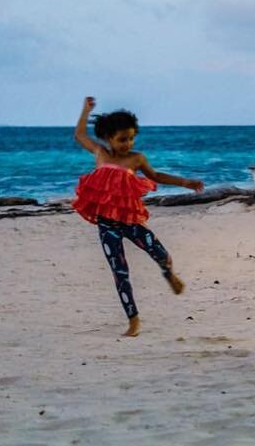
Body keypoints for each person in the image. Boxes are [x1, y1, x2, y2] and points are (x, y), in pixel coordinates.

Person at [71, 96, 204, 336]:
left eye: (131, 138)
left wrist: (185, 182)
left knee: (161, 254)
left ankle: (168, 274)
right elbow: (79, 135)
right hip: (106, 224)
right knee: (120, 272)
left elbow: (156, 176)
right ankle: (133, 320)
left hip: (130, 221)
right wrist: (86, 110)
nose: (127, 143)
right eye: (122, 139)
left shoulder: (136, 158)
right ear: (109, 138)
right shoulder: (101, 153)